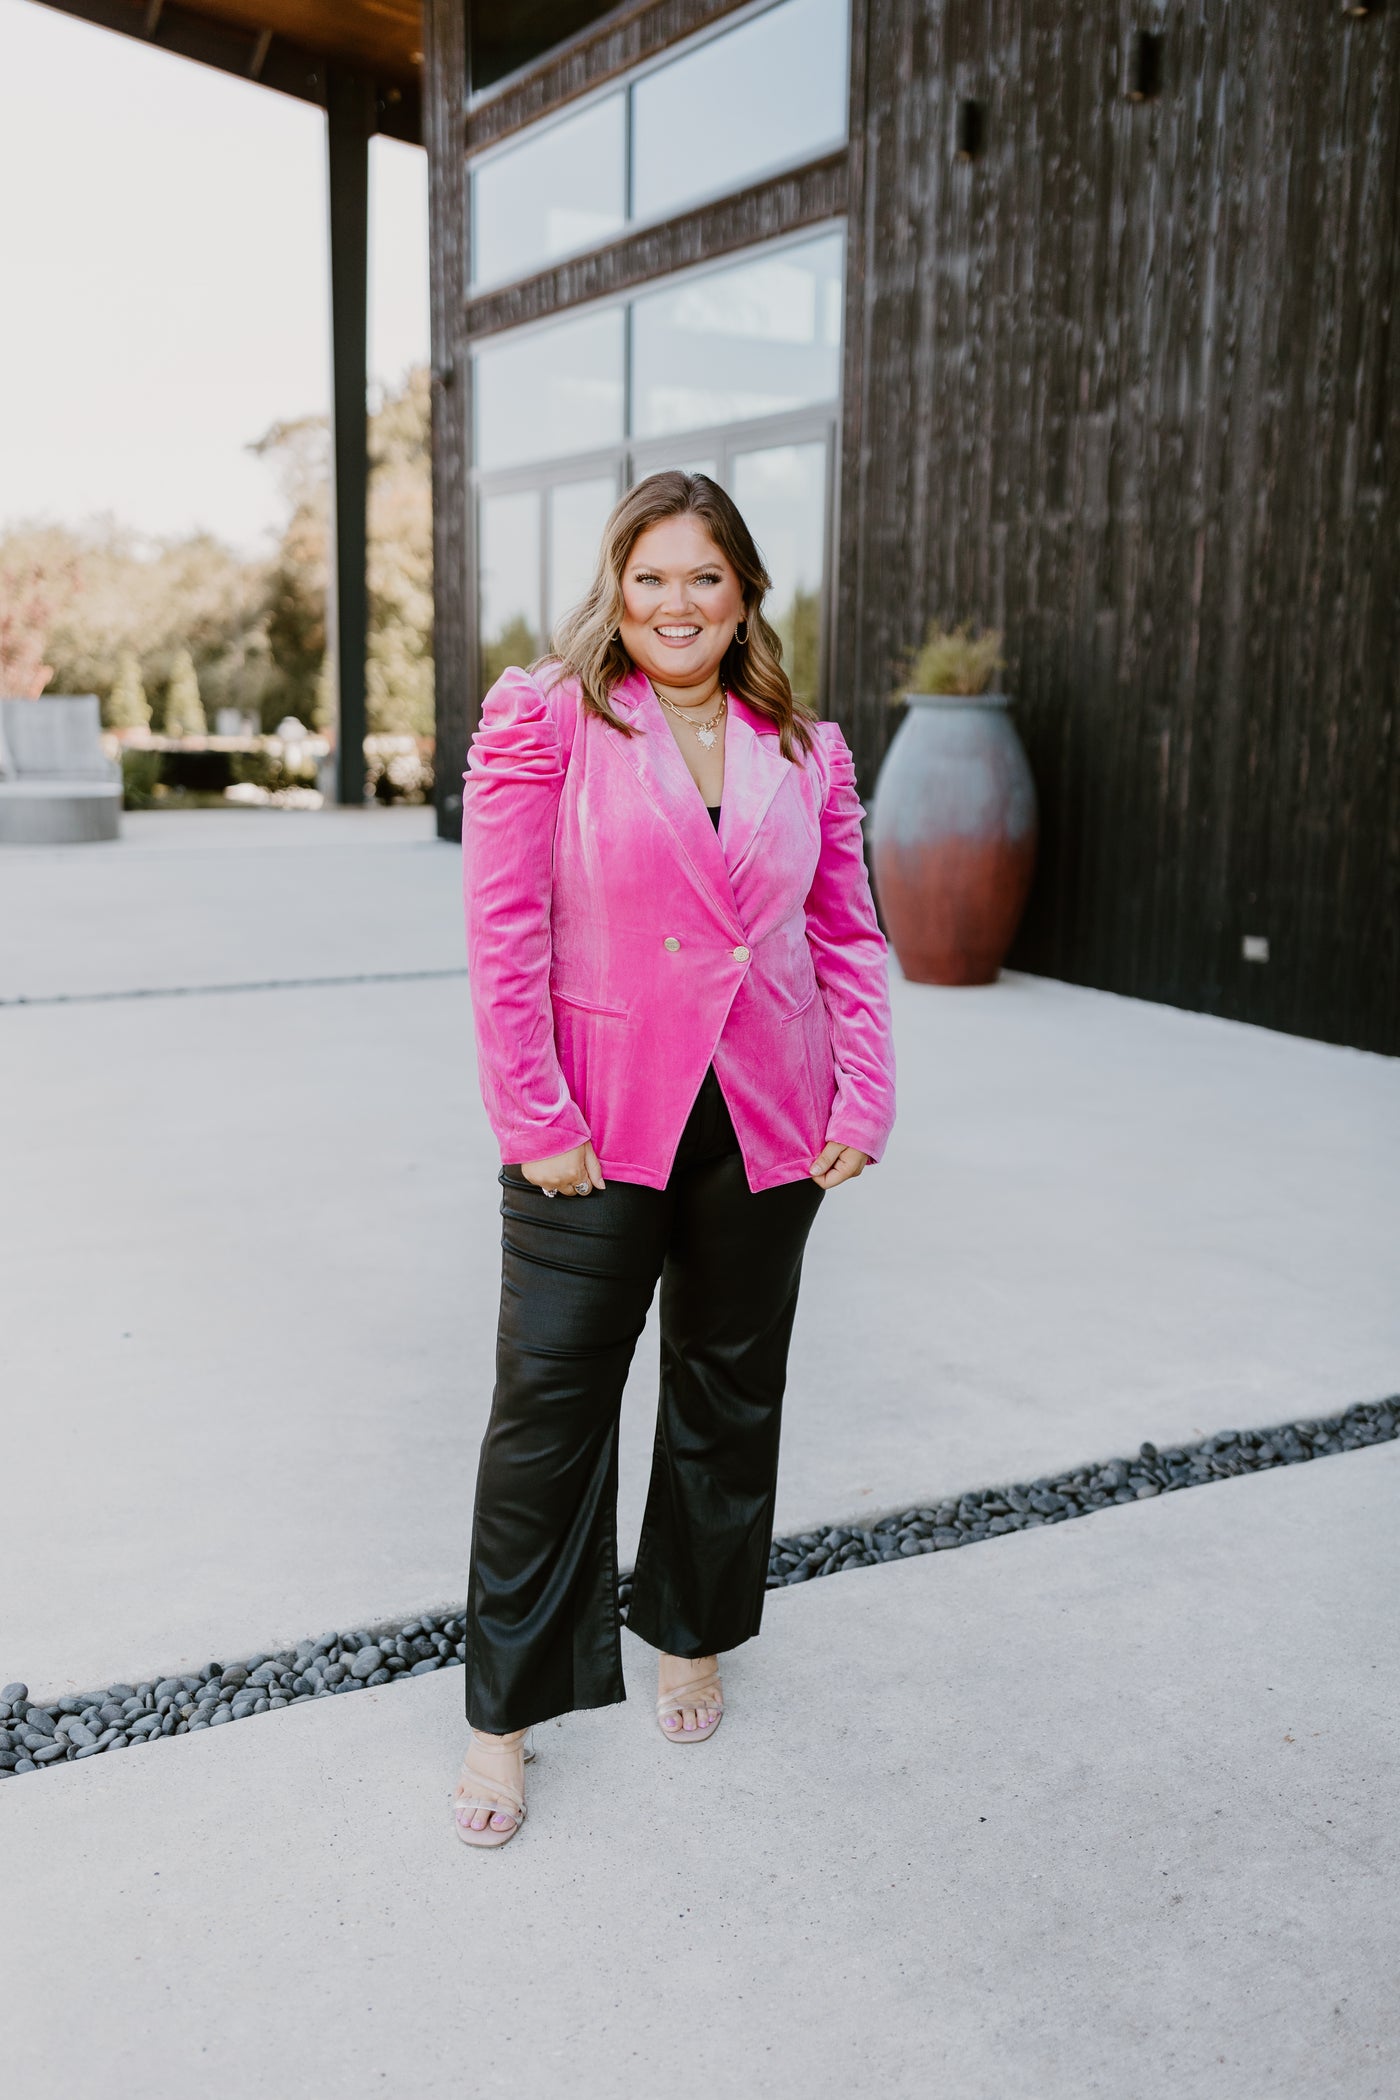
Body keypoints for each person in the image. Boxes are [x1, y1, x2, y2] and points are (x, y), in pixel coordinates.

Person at [451, 470, 896, 1847]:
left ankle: (691, 1626)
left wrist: (863, 1096)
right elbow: (505, 932)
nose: (677, 602)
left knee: (728, 1391)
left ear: (744, 589)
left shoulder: (804, 748)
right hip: (599, 1125)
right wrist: (536, 1122)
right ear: (616, 586)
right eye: (651, 577)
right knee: (548, 1417)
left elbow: (849, 935)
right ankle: (500, 1719)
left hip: (766, 1120)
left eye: (704, 576)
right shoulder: (550, 719)